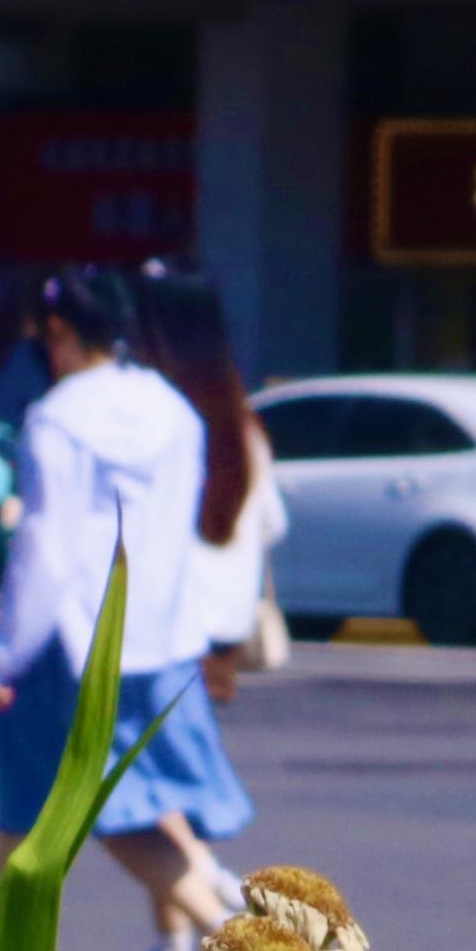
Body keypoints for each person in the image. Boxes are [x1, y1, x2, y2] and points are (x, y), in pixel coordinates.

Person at [0, 265, 244, 951]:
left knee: (75, 807)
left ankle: (226, 938)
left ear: (59, 332)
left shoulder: (58, 419)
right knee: (117, 803)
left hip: (72, 643)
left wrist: (1, 658)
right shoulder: (171, 409)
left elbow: (45, 547)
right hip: (160, 638)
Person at [145, 269, 291, 877]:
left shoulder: (166, 419)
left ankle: (212, 896)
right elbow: (272, 523)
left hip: (173, 631)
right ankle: (183, 915)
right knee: (166, 787)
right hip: (225, 631)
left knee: (145, 790)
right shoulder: (243, 422)